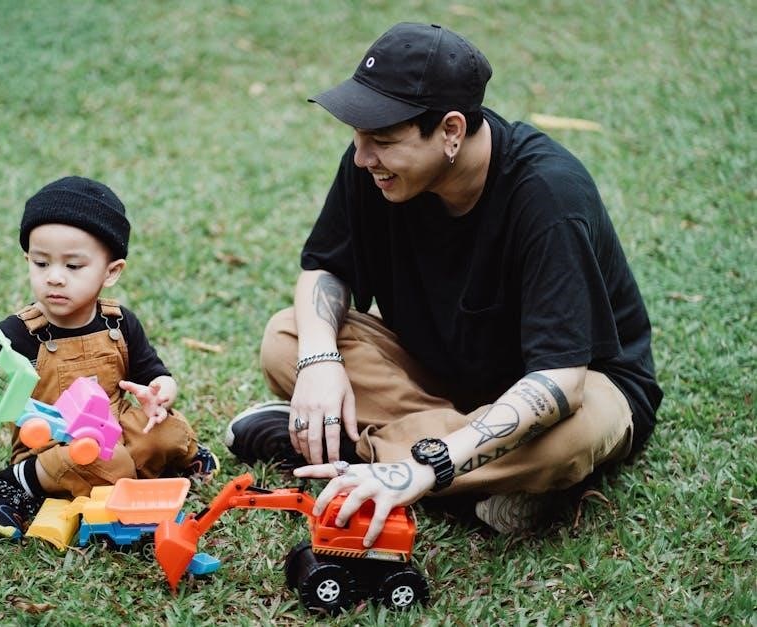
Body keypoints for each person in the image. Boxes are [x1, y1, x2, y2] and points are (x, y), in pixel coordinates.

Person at [225, 23, 662, 541]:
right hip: (441, 371)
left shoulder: (549, 197)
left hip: (574, 385)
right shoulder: (374, 168)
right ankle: (485, 481)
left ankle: (361, 453)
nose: (363, 157)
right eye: (359, 136)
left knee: (570, 439)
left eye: (383, 140)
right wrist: (320, 362)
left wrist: (424, 466)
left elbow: (560, 381)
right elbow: (327, 268)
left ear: (451, 130)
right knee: (288, 338)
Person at [0, 176, 218, 539]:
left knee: (165, 433)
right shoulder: (20, 332)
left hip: (113, 426)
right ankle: (8, 485)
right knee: (102, 460)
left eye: (73, 266)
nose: (55, 278)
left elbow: (155, 373)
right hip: (52, 443)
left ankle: (170, 461)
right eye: (41, 263)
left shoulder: (118, 323)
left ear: (111, 272)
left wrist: (160, 391)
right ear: (28, 259)